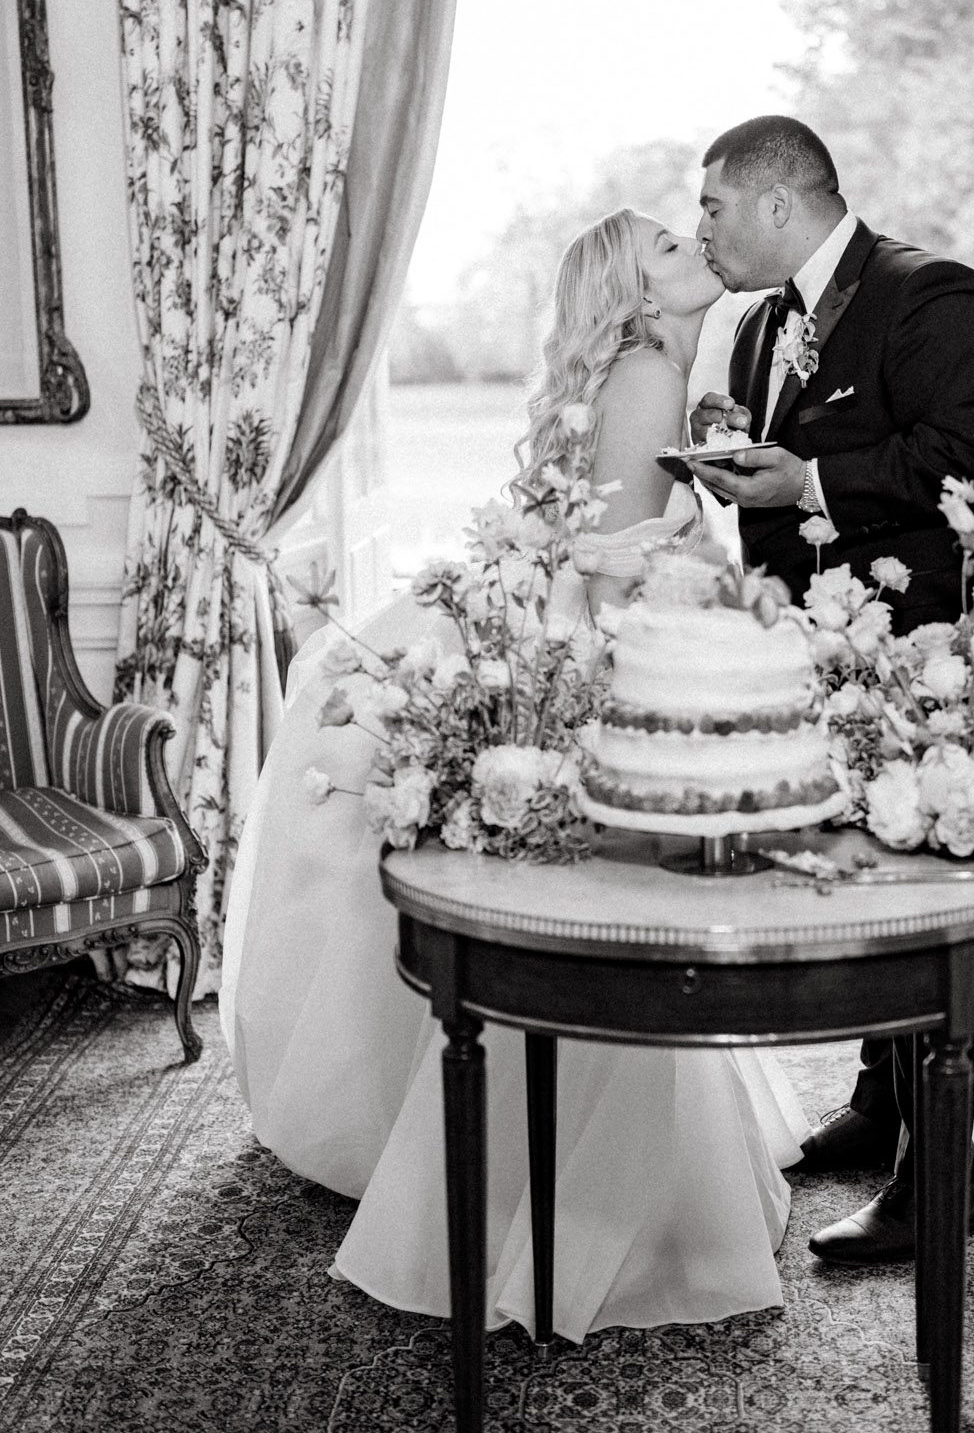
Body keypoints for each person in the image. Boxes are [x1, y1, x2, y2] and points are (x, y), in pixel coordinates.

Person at [220, 208, 810, 1344]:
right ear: (636, 298)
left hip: (576, 638)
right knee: (608, 933)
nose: (699, 247)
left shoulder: (663, 369)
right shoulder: (644, 376)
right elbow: (626, 572)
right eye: (671, 250)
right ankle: (596, 1210)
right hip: (600, 660)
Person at [688, 114, 974, 1267]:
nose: (704, 231)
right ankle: (880, 1106)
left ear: (778, 201)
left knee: (919, 908)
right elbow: (778, 500)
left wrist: (814, 476)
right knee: (862, 889)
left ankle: (943, 1181)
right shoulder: (755, 331)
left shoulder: (934, 294)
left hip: (938, 650)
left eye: (714, 208)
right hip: (825, 654)